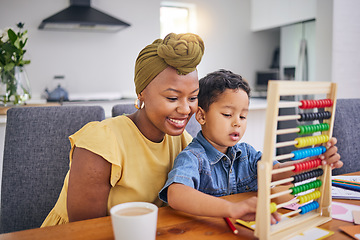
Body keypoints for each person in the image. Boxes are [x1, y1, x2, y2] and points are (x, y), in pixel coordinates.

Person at [41, 32, 205, 226]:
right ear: (141, 93)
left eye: (193, 97)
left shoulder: (182, 140)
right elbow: (85, 231)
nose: (186, 109)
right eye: (172, 98)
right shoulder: (101, 143)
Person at [159, 69, 342, 223]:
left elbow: (277, 173)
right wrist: (231, 208)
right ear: (201, 116)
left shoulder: (247, 153)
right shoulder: (193, 157)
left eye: (243, 116)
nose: (237, 123)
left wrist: (314, 161)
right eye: (227, 114)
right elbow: (176, 194)